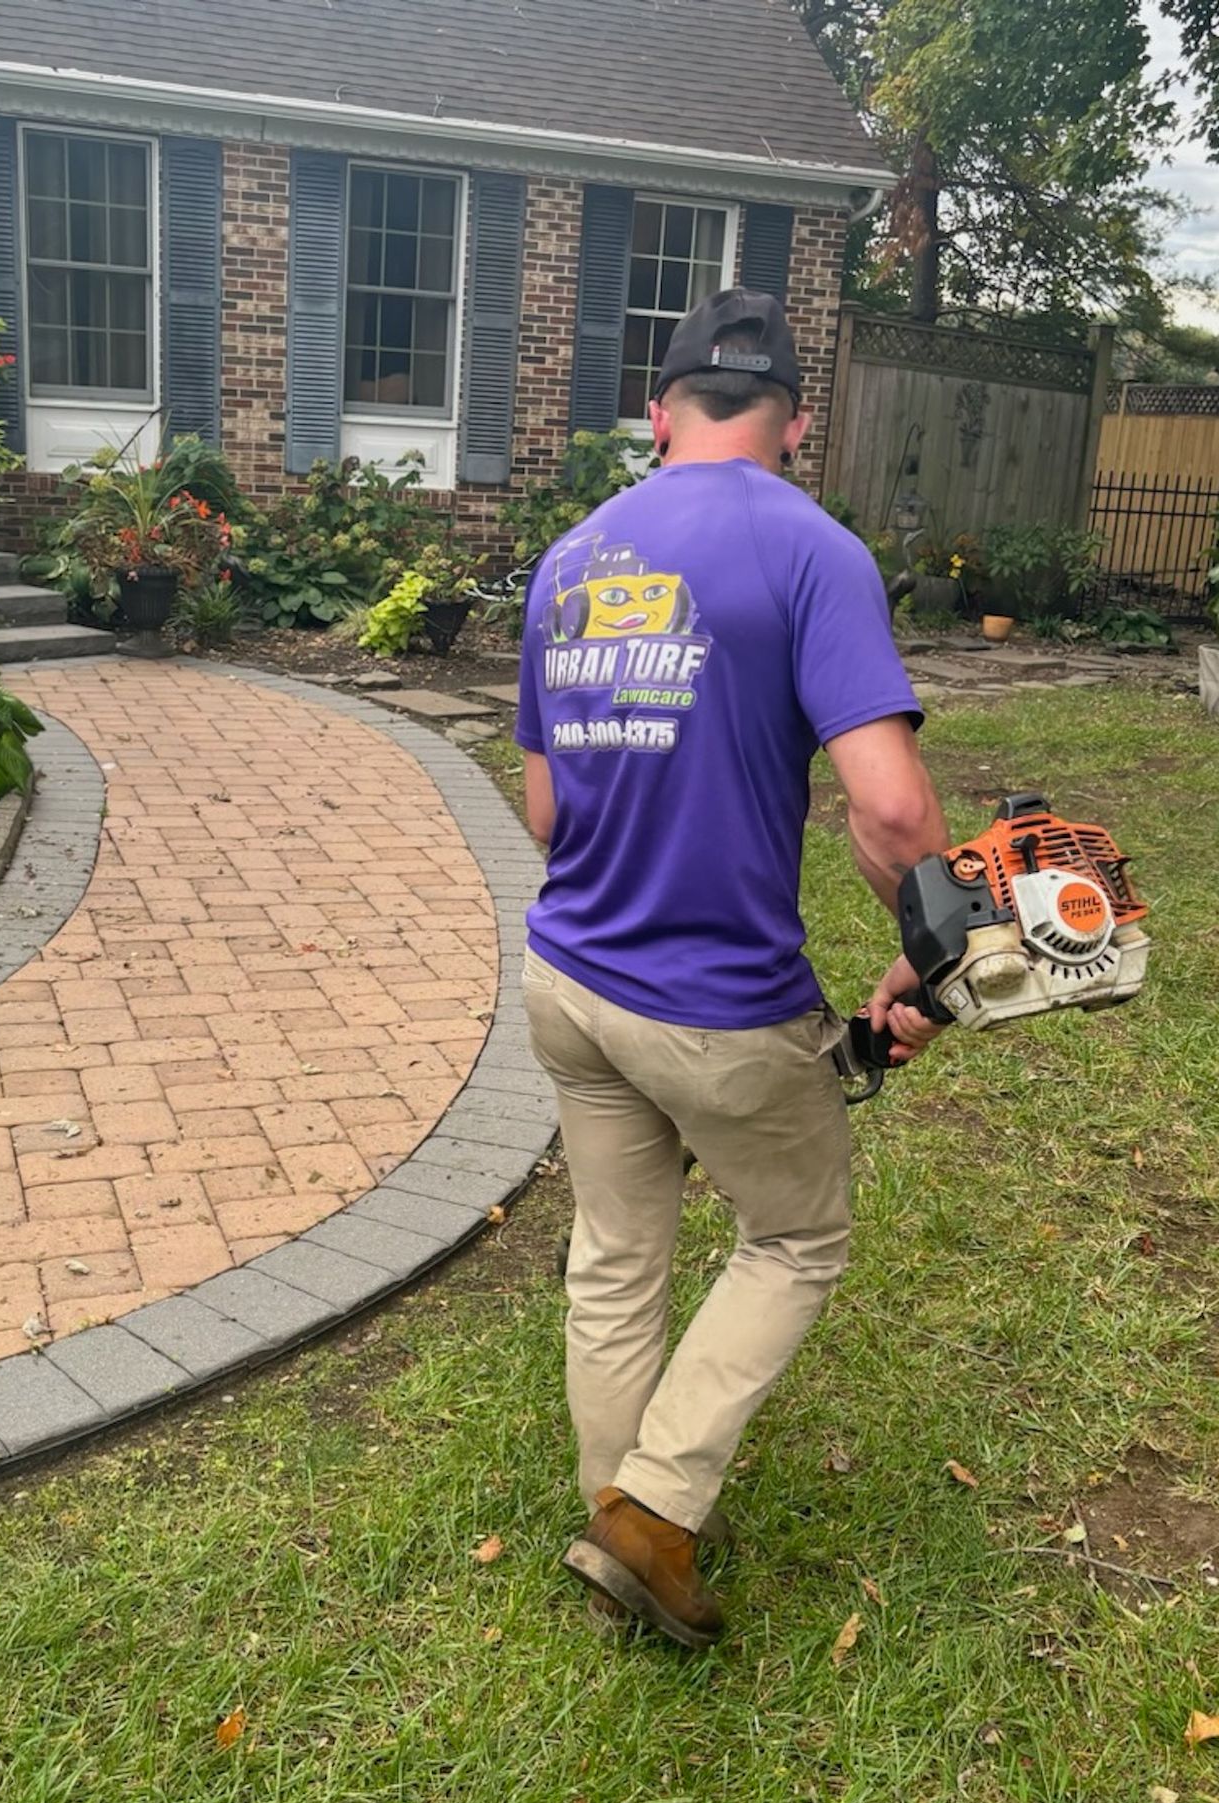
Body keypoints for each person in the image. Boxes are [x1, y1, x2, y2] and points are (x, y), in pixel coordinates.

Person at [514, 287, 954, 1650]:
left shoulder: (570, 558)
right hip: (715, 1006)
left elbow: (541, 815)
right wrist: (934, 960)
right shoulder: (813, 547)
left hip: (570, 986)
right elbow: (888, 810)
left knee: (616, 1256)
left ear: (660, 413)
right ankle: (651, 1511)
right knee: (798, 1235)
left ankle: (618, 1508)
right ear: (795, 424)